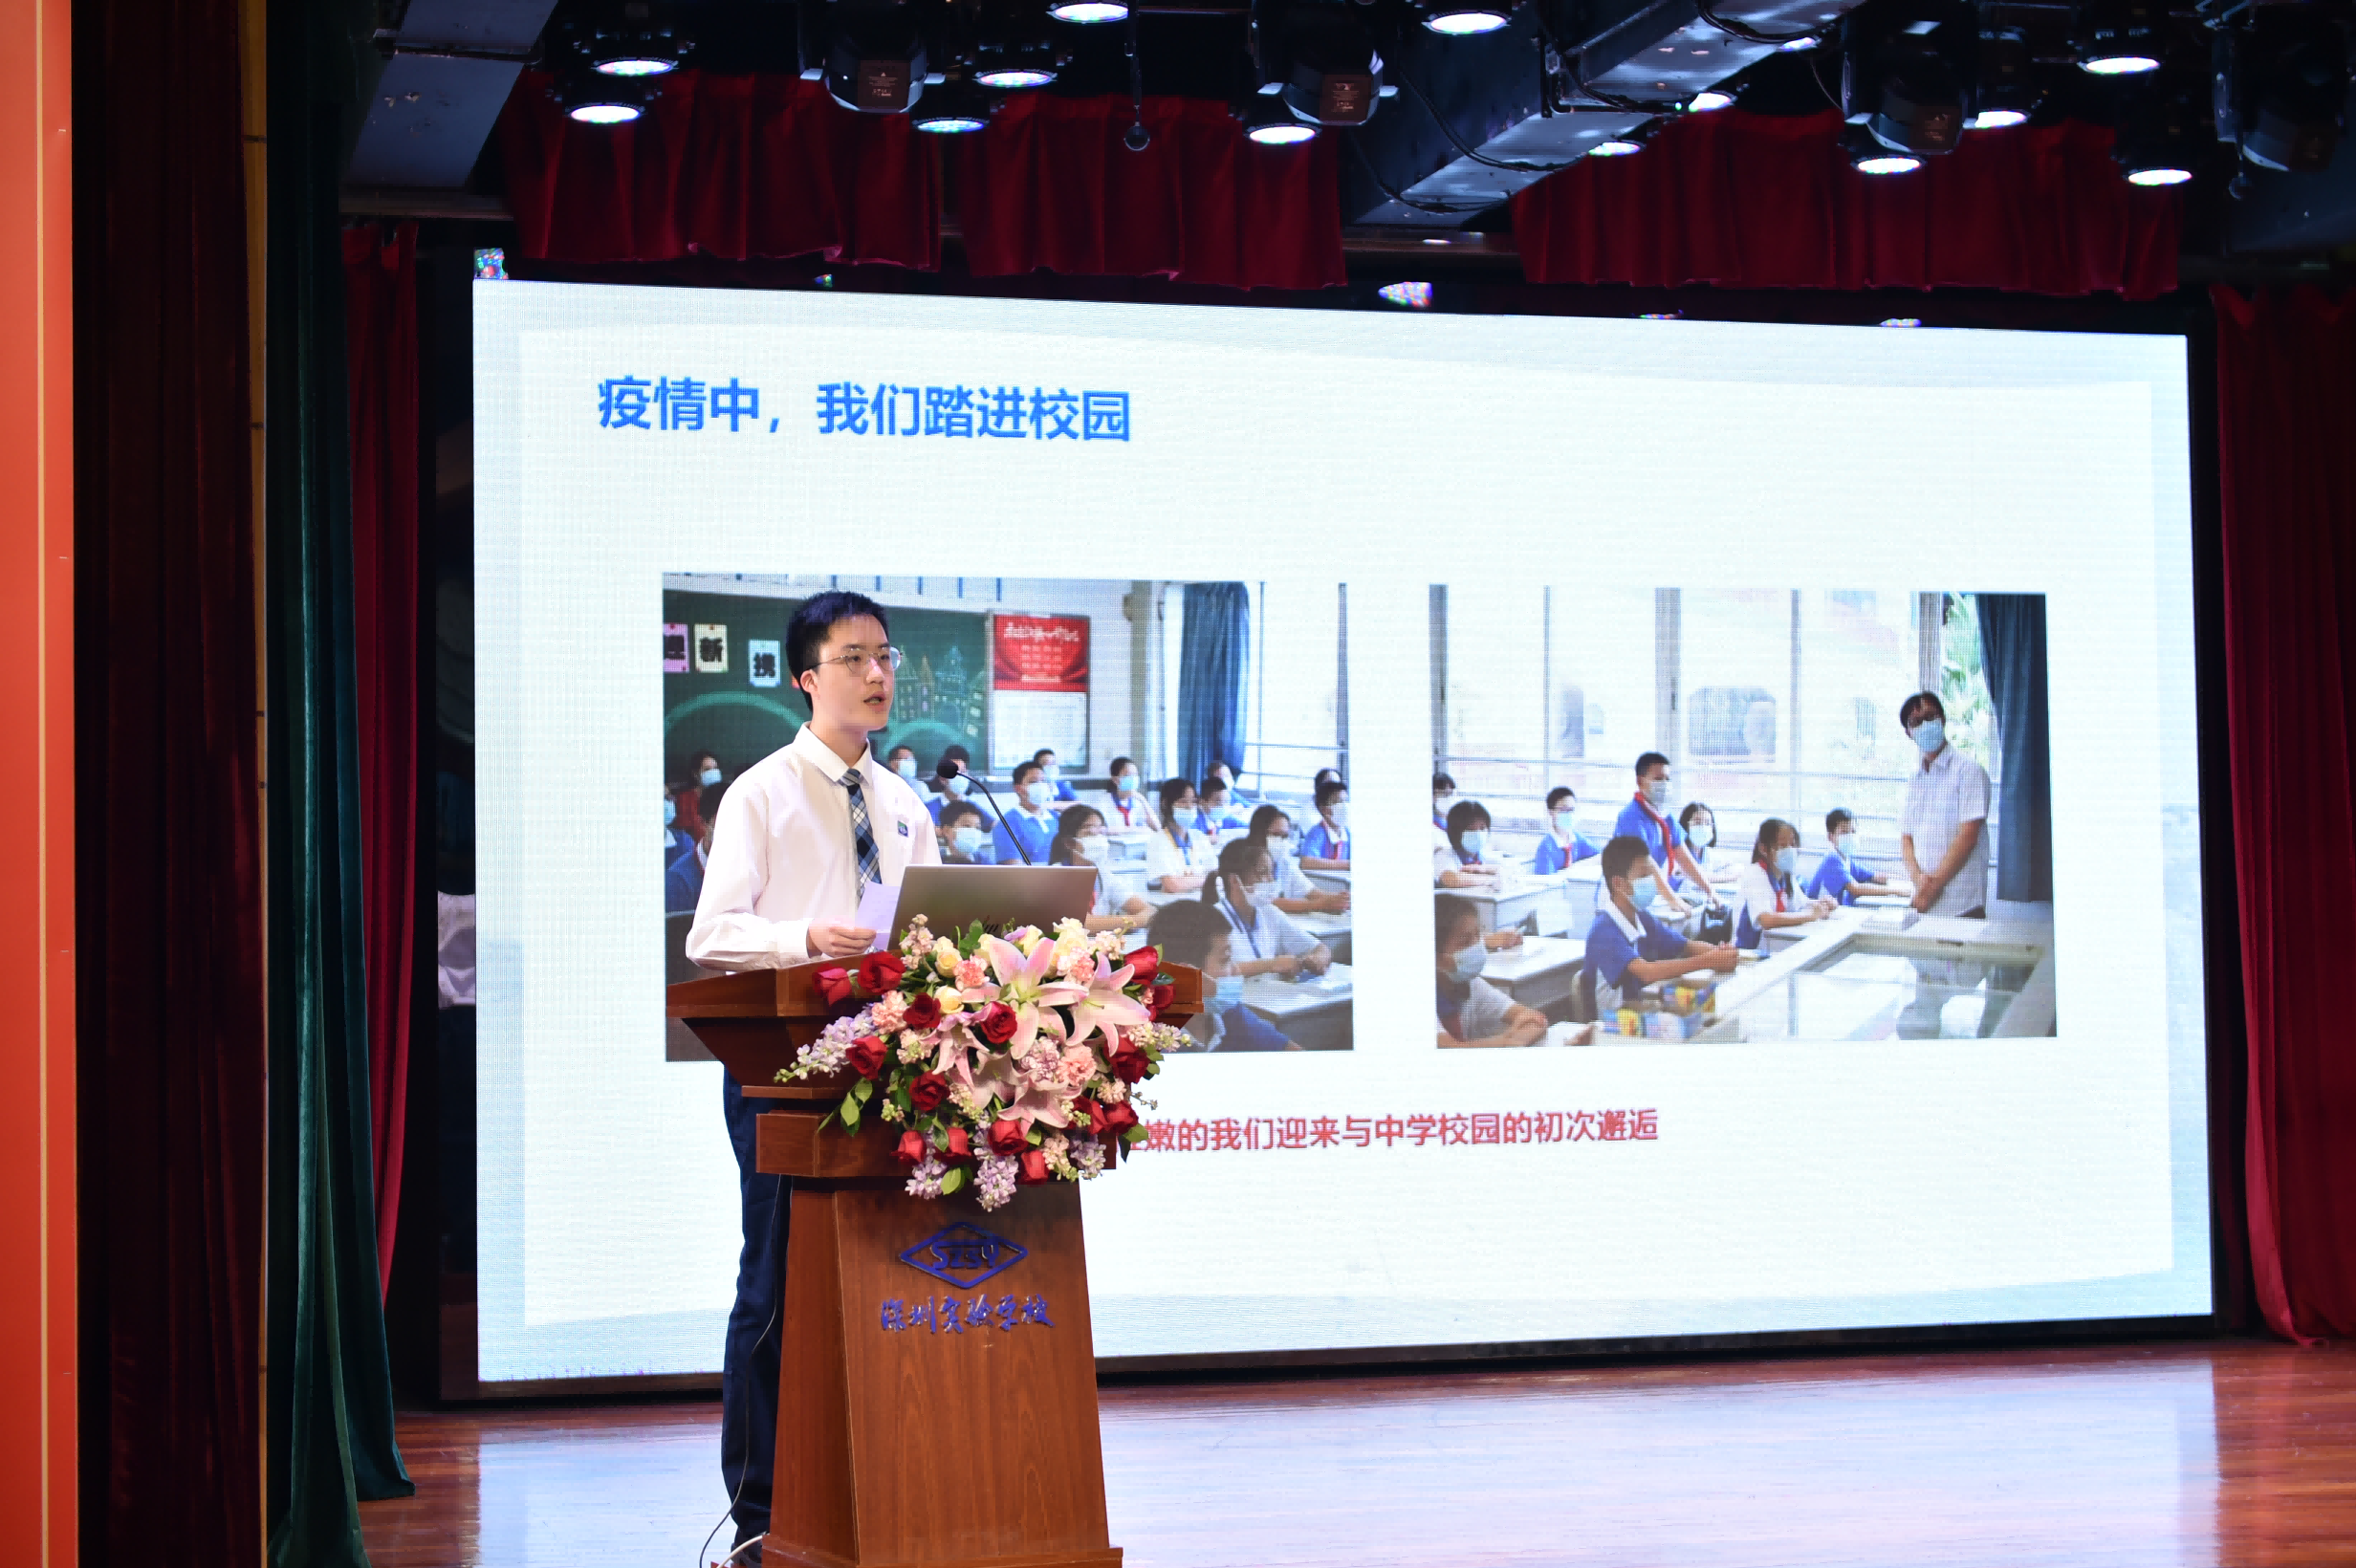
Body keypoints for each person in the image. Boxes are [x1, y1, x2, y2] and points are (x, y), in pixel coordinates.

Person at [683, 590, 940, 1560]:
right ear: (806, 677)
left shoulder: (905, 804)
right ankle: (758, 1516)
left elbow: (928, 932)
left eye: (885, 656)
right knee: (777, 1283)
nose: (877, 674)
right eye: (853, 658)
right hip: (783, 1067)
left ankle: (874, 1490)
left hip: (894, 1067)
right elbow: (712, 936)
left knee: (886, 1278)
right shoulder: (761, 793)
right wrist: (803, 940)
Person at [1584, 834, 1737, 1016]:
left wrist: (1720, 953)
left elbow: (1685, 946)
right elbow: (1647, 972)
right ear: (1618, 883)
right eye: (1644, 876)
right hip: (1614, 1022)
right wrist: (1709, 961)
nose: (1652, 882)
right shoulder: (1603, 931)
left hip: (1639, 1010)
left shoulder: (1641, 916)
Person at [1146, 900, 1293, 1052]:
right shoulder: (1148, 1043)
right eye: (1225, 960)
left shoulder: (1228, 1013)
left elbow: (1293, 1054)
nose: (1236, 970)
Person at [1897, 691, 1991, 918]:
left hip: (1962, 904)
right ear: (1909, 733)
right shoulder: (1915, 780)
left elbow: (1968, 836)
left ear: (1943, 719)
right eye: (1916, 722)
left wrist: (1934, 887)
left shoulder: (1968, 771)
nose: (1925, 725)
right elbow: (1906, 838)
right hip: (1924, 903)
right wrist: (1919, 881)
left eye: (1930, 717)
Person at [1202, 838, 1331, 979]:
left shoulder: (1269, 912)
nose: (1270, 880)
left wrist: (1317, 959)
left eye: (1271, 872)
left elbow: (1319, 947)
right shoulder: (1212, 919)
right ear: (1234, 880)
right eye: (1263, 873)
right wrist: (1271, 965)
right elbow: (1214, 972)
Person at [1434, 895, 1548, 1047]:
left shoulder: (1470, 985)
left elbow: (1535, 1020)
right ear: (1437, 958)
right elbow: (1449, 1049)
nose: (1476, 946)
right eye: (1465, 942)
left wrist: (1512, 1040)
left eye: (1478, 936)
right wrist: (1507, 1040)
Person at [1611, 752, 1714, 919]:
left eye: (1667, 779)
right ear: (1640, 781)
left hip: (1647, 894)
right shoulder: (1631, 817)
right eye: (1658, 779)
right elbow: (1647, 863)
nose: (1664, 784)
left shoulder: (1665, 816)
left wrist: (1710, 890)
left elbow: (1684, 858)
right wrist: (1673, 900)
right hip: (1624, 896)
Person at [1734, 817, 1836, 949]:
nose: (1790, 850)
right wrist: (1810, 916)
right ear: (1764, 849)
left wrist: (1823, 904)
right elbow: (1766, 920)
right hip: (1748, 951)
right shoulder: (1755, 874)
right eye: (1782, 846)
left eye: (1792, 845)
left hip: (1773, 945)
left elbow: (1802, 904)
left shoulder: (1785, 874)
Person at [1052, 805, 1152, 932]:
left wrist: (1131, 921)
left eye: (1100, 831)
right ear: (1069, 843)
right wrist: (1133, 921)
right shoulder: (1055, 875)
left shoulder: (1103, 875)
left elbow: (1149, 911)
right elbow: (1080, 923)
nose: (1098, 838)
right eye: (1090, 832)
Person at [1246, 805, 1348, 915]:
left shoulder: (1284, 862)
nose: (1281, 841)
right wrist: (1319, 905)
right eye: (1276, 835)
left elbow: (1312, 892)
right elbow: (1267, 902)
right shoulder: (1245, 863)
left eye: (1285, 836)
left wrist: (1339, 899)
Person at [1802, 808, 1892, 905]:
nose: (1850, 836)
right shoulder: (1832, 859)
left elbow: (1875, 876)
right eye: (1844, 832)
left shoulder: (1846, 859)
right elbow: (1856, 889)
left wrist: (1897, 880)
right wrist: (1895, 891)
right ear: (1830, 837)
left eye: (1853, 831)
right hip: (1821, 912)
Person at [1144, 776, 1212, 892]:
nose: (1189, 806)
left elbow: (1217, 874)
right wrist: (1207, 880)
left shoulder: (1200, 837)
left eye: (1193, 801)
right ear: (1166, 804)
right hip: (1169, 902)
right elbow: (1172, 885)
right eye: (1183, 801)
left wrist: (1195, 881)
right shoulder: (1158, 841)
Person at [991, 758, 1061, 866]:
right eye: (1033, 782)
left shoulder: (1057, 818)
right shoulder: (1007, 824)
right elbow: (1014, 869)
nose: (1041, 785)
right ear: (1018, 789)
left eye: (1043, 781)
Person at [1434, 798, 1503, 889]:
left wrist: (1484, 869)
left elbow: (1508, 872)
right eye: (1470, 829)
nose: (1478, 833)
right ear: (1455, 832)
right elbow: (1453, 879)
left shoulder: (1487, 856)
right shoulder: (1444, 856)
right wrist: (1491, 878)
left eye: (1482, 828)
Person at [1534, 786, 1601, 875]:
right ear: (1551, 812)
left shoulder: (1577, 838)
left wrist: (1579, 867)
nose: (1569, 814)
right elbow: (1545, 880)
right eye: (1564, 810)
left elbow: (1601, 855)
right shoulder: (1546, 848)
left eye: (1571, 810)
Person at [1298, 778, 1350, 869]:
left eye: (1346, 801)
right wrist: (1347, 865)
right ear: (1324, 809)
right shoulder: (1317, 832)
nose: (1345, 806)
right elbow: (1306, 862)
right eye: (1339, 802)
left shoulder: (1348, 833)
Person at [676, 749, 725, 839]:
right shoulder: (685, 799)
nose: (713, 772)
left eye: (715, 768)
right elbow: (686, 832)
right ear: (696, 774)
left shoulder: (725, 795)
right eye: (707, 769)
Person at [1104, 754, 1157, 831]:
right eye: (1128, 775)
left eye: (1135, 775)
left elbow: (1156, 827)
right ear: (1115, 780)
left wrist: (1143, 800)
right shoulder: (1103, 802)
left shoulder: (1138, 802)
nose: (1133, 779)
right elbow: (1101, 830)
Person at [926, 745, 974, 824]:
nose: (962, 776)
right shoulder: (929, 808)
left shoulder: (972, 805)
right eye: (957, 773)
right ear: (942, 779)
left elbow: (993, 823)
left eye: (963, 772)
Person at [937, 798, 993, 865]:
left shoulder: (984, 862)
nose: (973, 832)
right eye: (967, 826)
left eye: (977, 828)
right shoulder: (935, 860)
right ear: (946, 830)